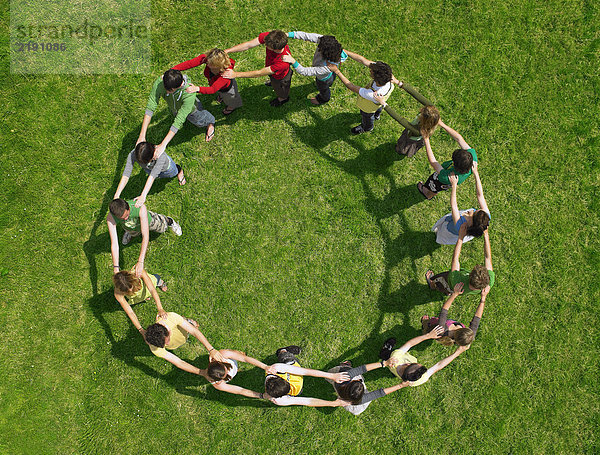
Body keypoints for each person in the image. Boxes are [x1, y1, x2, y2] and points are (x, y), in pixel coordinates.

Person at [204, 345, 350, 406]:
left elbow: (306, 377)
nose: (268, 377)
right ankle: (284, 351)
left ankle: (283, 350)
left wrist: (333, 399)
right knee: (290, 361)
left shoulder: (276, 372)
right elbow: (307, 395)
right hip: (295, 381)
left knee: (287, 358)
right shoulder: (280, 395)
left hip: (294, 379)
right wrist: (332, 399)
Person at [139, 68, 216, 159]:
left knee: (199, 120)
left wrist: (163, 145)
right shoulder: (161, 82)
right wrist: (142, 136)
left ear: (178, 87)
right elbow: (151, 106)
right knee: (178, 114)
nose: (166, 92)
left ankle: (210, 123)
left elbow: (179, 121)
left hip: (192, 110)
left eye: (169, 91)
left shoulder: (189, 93)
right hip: (176, 108)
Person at [107, 198, 182, 277]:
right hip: (131, 227)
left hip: (148, 221)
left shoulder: (139, 208)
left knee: (163, 227)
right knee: (131, 230)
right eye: (122, 218)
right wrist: (116, 267)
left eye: (127, 215)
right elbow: (114, 244)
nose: (126, 219)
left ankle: (170, 221)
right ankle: (130, 232)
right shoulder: (110, 218)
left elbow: (145, 236)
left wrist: (140, 261)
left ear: (128, 207)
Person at [380, 326, 470, 387]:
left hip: (392, 362)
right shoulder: (417, 380)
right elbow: (439, 365)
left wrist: (428, 336)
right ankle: (389, 362)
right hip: (398, 370)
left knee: (387, 356)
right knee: (389, 362)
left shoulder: (395, 358)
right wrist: (457, 353)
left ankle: (385, 351)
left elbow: (410, 344)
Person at [327, 57, 396, 134]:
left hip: (367, 108)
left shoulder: (371, 94)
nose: (370, 70)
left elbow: (351, 86)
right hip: (379, 102)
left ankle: (367, 127)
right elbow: (363, 60)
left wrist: (337, 71)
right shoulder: (389, 79)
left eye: (371, 72)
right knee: (378, 107)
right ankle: (377, 115)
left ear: (376, 78)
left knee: (367, 117)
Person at [223, 30, 292, 107]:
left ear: (276, 49)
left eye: (267, 46)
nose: (265, 45)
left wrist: (235, 74)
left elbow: (259, 73)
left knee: (281, 90)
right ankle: (272, 82)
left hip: (281, 77)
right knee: (272, 79)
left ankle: (283, 99)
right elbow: (248, 45)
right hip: (272, 70)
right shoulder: (272, 37)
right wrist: (227, 51)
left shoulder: (282, 62)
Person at [425, 224, 494, 297]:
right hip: (456, 289)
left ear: (470, 275)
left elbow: (455, 258)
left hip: (448, 281)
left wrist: (461, 237)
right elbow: (487, 257)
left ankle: (432, 284)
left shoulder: (457, 281)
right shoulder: (489, 282)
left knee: (438, 281)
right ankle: (449, 292)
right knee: (450, 290)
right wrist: (486, 235)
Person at [144, 312, 225, 374]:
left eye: (167, 340)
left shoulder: (171, 317)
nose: (167, 344)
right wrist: (202, 372)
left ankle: (188, 321)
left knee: (193, 325)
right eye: (164, 345)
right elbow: (179, 362)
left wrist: (211, 349)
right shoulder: (155, 349)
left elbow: (193, 331)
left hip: (184, 331)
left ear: (168, 330)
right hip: (178, 342)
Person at [432, 161, 490, 245]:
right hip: (462, 225)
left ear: (473, 219)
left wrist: (454, 185)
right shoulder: (485, 217)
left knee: (440, 233)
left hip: (449, 231)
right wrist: (476, 173)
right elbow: (480, 195)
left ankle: (437, 235)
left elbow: (454, 206)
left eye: (476, 210)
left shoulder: (461, 226)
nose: (476, 209)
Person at [281, 32, 348, 105]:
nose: (318, 43)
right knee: (331, 79)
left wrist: (293, 61)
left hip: (323, 80)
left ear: (324, 52)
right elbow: (307, 36)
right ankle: (330, 83)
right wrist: (289, 34)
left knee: (324, 89)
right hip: (330, 74)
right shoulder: (328, 44)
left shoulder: (325, 67)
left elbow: (304, 71)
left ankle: (323, 99)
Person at [322, 360, 410, 415]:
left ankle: (343, 366)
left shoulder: (342, 376)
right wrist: (401, 385)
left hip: (336, 382)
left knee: (335, 372)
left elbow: (362, 369)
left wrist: (384, 363)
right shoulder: (360, 401)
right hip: (351, 405)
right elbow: (380, 393)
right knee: (357, 411)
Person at [114, 142, 185, 209]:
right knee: (156, 174)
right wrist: (117, 195)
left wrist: (143, 195)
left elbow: (152, 176)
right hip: (150, 169)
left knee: (174, 172)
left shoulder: (161, 156)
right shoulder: (134, 153)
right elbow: (126, 174)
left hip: (167, 169)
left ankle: (179, 170)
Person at [417, 120, 477, 199]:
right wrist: (442, 124)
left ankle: (427, 194)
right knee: (438, 189)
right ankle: (432, 193)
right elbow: (459, 139)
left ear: (455, 165)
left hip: (440, 181)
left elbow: (433, 162)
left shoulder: (447, 176)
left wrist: (426, 139)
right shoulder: (473, 158)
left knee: (433, 187)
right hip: (447, 183)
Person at [173, 48, 243, 115]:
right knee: (221, 93)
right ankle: (221, 96)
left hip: (227, 90)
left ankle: (232, 106)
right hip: (216, 85)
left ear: (218, 66)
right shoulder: (210, 58)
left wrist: (197, 89)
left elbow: (213, 89)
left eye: (210, 65)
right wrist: (174, 69)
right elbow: (190, 63)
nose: (207, 64)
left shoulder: (225, 75)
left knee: (231, 99)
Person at [421, 282, 489, 346]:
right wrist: (483, 298)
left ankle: (425, 324)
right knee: (438, 322)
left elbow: (444, 311)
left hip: (435, 327)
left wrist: (454, 294)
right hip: (444, 325)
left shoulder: (442, 329)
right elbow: (477, 319)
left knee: (428, 326)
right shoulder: (469, 336)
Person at [373, 97, 440, 157]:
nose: (420, 110)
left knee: (403, 148)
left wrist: (384, 104)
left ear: (424, 119)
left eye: (421, 113)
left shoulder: (418, 130)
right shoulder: (432, 113)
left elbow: (400, 120)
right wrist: (400, 84)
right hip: (412, 133)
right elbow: (418, 96)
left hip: (411, 139)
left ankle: (399, 150)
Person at [112, 268, 168, 337]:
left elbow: (152, 290)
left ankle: (160, 282)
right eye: (130, 292)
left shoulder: (138, 272)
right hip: (139, 297)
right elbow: (130, 312)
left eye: (134, 288)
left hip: (150, 285)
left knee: (156, 279)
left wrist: (160, 308)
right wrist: (141, 330)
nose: (134, 291)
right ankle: (144, 297)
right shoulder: (118, 293)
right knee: (141, 297)